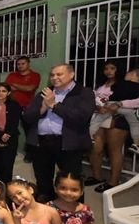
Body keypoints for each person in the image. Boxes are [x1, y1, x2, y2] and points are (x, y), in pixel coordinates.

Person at [22, 63, 95, 202]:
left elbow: (81, 118)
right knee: (43, 181)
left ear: (71, 74)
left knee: (71, 182)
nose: (55, 78)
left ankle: (74, 217)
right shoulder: (45, 93)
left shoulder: (84, 93)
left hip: (68, 144)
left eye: (59, 74)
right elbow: (27, 116)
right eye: (52, 75)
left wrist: (54, 105)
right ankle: (47, 212)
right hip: (41, 143)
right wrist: (43, 107)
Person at [87, 65, 139, 192]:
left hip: (118, 120)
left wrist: (120, 105)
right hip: (101, 116)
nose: (108, 71)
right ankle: (97, 177)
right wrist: (97, 107)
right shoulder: (102, 84)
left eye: (112, 68)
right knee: (96, 148)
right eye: (106, 68)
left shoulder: (126, 85)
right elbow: (97, 99)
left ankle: (113, 182)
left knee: (114, 150)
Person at [6, 56, 41, 161]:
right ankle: (11, 150)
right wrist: (21, 88)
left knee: (29, 130)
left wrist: (15, 86)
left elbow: (30, 88)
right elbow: (7, 88)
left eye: (23, 63)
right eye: (19, 64)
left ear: (28, 64)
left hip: (28, 107)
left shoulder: (35, 75)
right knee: (10, 129)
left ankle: (30, 153)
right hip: (12, 106)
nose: (20, 66)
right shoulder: (12, 75)